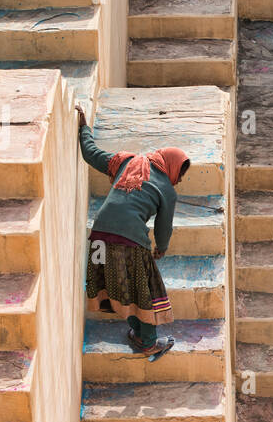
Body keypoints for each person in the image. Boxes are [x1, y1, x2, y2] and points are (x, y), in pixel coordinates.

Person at [77, 104, 190, 360]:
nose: (179, 180)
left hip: (99, 237)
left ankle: (138, 332)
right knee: (145, 290)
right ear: (171, 167)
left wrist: (84, 127)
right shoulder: (168, 192)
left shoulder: (126, 162)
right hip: (130, 241)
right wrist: (161, 248)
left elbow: (91, 153)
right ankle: (148, 342)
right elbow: (164, 228)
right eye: (180, 173)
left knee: (120, 283)